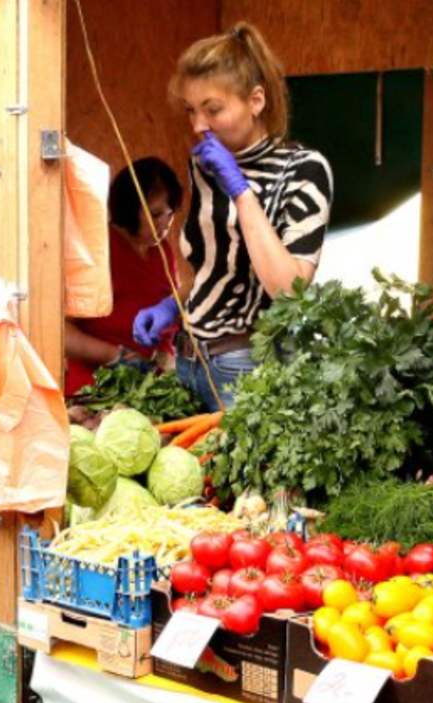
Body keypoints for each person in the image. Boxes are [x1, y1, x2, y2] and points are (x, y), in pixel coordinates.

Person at [134, 22, 333, 412]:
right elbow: (211, 270)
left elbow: (289, 291)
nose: (197, 126)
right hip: (187, 359)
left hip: (245, 369)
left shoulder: (304, 170)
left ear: (255, 100)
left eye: (213, 110)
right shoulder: (202, 165)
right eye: (192, 111)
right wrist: (171, 307)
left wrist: (242, 191)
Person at [64, 157, 184, 397]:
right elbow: (62, 333)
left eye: (169, 215)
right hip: (96, 390)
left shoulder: (163, 251)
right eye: (155, 214)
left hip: (151, 389)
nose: (164, 225)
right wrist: (115, 357)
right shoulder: (98, 248)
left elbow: (175, 308)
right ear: (129, 208)